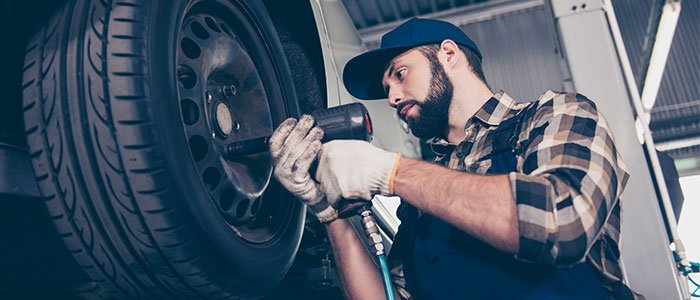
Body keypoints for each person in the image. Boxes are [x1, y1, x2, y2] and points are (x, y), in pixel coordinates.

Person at [269, 17, 640, 299]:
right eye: (387, 90)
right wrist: (326, 210)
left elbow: (561, 221)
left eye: (400, 74)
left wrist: (389, 171)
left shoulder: (554, 115)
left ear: (448, 54)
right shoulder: (419, 205)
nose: (393, 98)